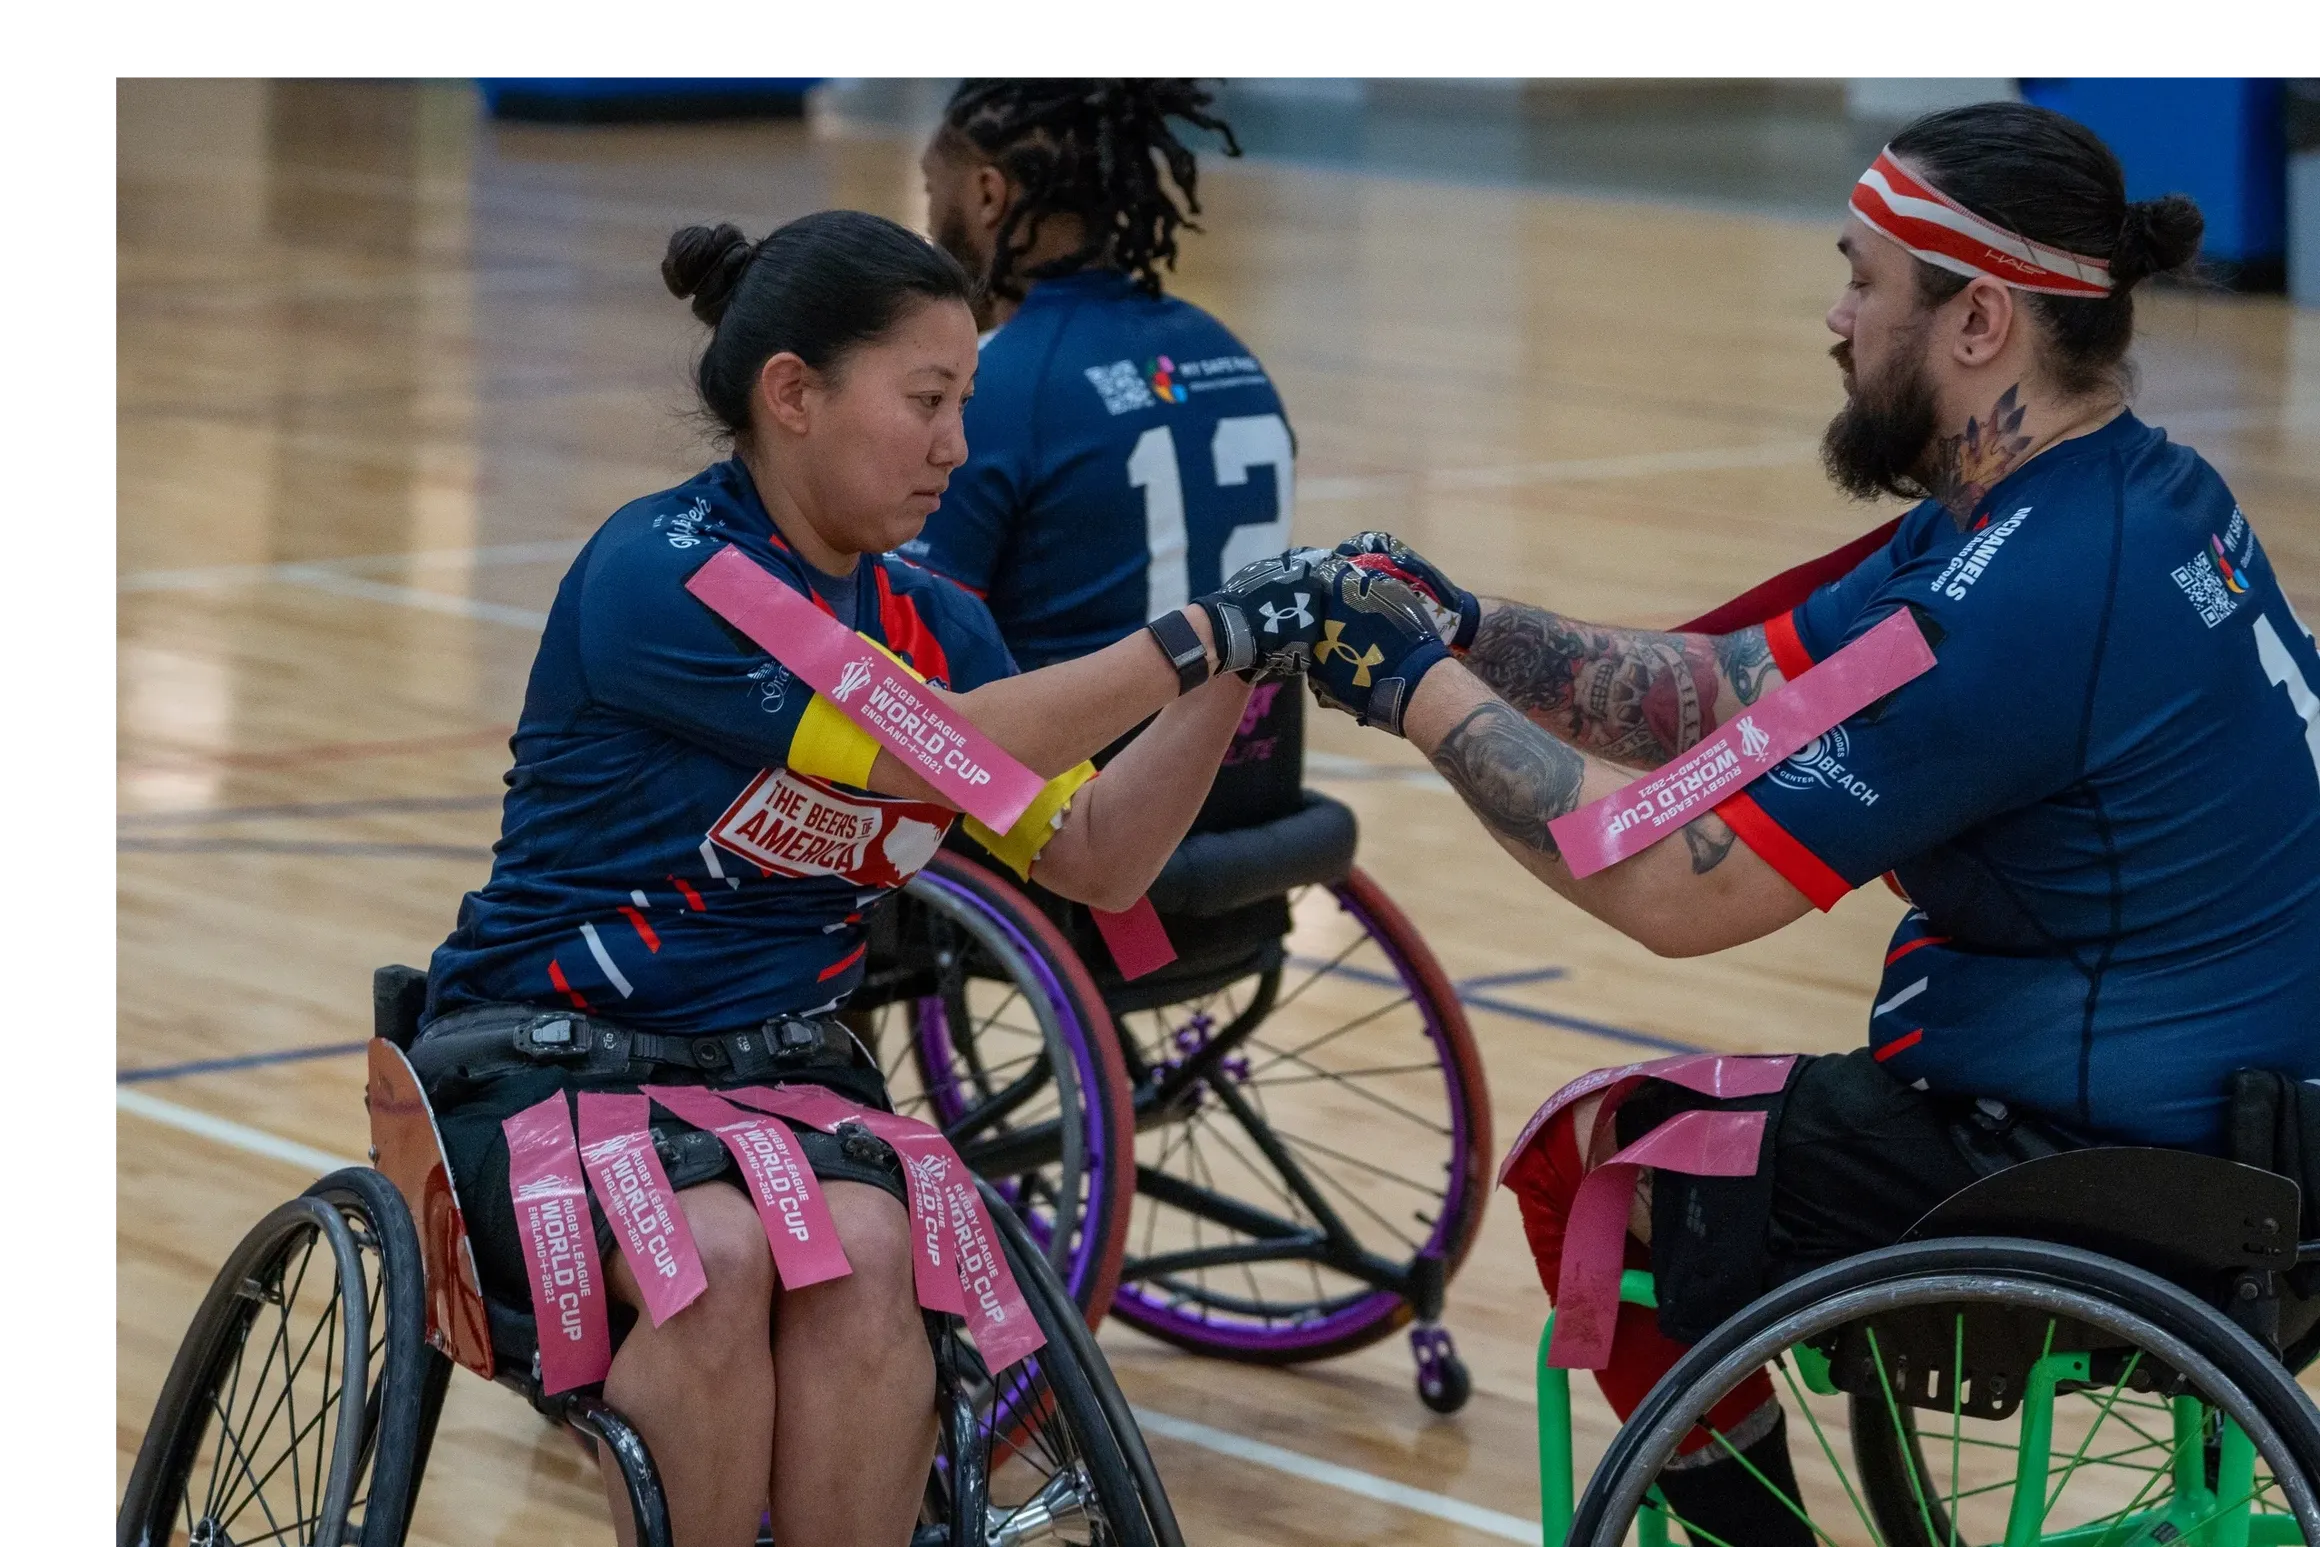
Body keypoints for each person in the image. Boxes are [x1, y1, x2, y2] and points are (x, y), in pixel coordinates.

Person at [1284, 102, 2319, 1543]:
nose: (1835, 319)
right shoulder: (2108, 494)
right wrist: (1466, 625)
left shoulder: (2021, 600)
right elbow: (1725, 689)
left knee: (1603, 1164)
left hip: (2115, 1159)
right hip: (2256, 1118)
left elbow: (1662, 884)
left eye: (1863, 281)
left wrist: (1413, 691)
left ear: (1980, 322)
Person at [415, 209, 1330, 1547]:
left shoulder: (935, 618)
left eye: (966, 402)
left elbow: (1102, 856)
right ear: (793, 393)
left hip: (787, 1072)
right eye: (927, 401)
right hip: (552, 1065)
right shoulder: (664, 572)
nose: (957, 445)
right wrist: (1196, 634)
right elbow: (939, 744)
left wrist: (1246, 657)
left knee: (875, 1255)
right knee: (712, 1257)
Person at [911, 77, 1309, 827]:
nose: (934, 223)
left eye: (937, 194)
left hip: (1092, 817)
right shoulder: (1230, 354)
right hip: (1256, 792)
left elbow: (916, 636)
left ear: (989, 195)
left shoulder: (994, 383)